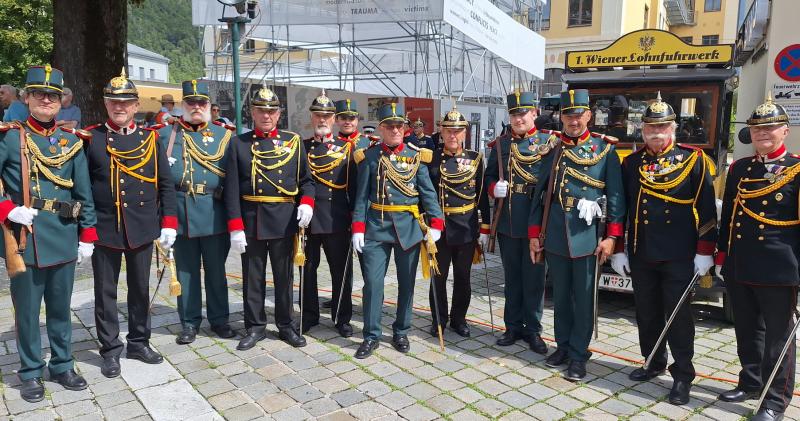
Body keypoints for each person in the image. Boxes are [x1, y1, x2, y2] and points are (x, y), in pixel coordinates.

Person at [610, 92, 717, 405]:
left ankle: (682, 375)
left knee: (678, 317)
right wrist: (619, 248)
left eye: (662, 127)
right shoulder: (631, 164)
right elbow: (621, 209)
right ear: (642, 130)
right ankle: (653, 361)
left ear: (673, 129)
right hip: (642, 252)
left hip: (680, 255)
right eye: (650, 128)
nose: (656, 133)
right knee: (647, 313)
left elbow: (707, 208)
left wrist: (704, 251)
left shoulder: (693, 160)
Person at [0, 65, 96, 402]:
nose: (45, 99)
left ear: (61, 101)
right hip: (27, 239)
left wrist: (88, 236)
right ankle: (29, 372)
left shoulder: (72, 140)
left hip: (65, 234)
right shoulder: (10, 137)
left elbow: (83, 193)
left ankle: (62, 364)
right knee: (27, 312)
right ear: (26, 98)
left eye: (52, 95)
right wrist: (6, 209)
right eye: (38, 93)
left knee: (60, 308)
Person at [85, 68, 177, 378]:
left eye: (125, 102)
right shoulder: (91, 138)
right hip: (106, 226)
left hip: (141, 225)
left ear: (136, 105)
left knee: (140, 288)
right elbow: (82, 186)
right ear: (106, 104)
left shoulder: (149, 139)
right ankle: (110, 349)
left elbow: (165, 184)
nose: (119, 107)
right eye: (113, 102)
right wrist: (84, 229)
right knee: (105, 292)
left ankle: (139, 341)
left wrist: (169, 223)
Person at [529, 89, 625, 381]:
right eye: (568, 115)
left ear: (588, 116)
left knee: (583, 298)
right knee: (560, 296)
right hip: (557, 232)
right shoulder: (552, 147)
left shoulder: (604, 149)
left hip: (587, 234)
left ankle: (579, 355)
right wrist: (535, 234)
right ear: (562, 117)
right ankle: (563, 345)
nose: (573, 120)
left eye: (578, 114)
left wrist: (611, 237)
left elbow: (617, 197)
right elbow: (540, 195)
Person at [715, 94, 796, 421]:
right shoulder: (739, 168)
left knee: (778, 337)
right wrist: (721, 255)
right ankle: (750, 381)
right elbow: (729, 216)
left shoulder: (796, 169)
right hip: (740, 263)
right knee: (747, 330)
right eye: (757, 128)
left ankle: (776, 400)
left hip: (779, 268)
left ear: (785, 131)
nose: (763, 133)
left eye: (771, 128)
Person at [224, 86, 314, 350]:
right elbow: (230, 189)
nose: (266, 115)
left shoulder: (292, 141)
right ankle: (255, 327)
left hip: (284, 219)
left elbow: (306, 181)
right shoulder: (239, 143)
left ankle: (286, 325)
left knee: (284, 276)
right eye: (261, 110)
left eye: (271, 110)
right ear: (252, 112)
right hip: (251, 219)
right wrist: (235, 227)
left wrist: (306, 204)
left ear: (279, 114)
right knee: (252, 277)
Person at [351, 103, 444, 359]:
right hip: (376, 226)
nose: (395, 130)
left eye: (399, 126)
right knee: (372, 284)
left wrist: (436, 223)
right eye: (389, 126)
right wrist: (357, 228)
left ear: (404, 128)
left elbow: (428, 193)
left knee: (407, 284)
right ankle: (371, 335)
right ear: (381, 128)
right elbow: (360, 198)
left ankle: (401, 330)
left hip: (408, 228)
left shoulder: (416, 156)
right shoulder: (369, 156)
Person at [157, 80, 236, 344]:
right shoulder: (166, 136)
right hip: (182, 214)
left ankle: (220, 320)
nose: (196, 107)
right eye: (191, 102)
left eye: (201, 102)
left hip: (214, 212)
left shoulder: (225, 136)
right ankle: (189, 322)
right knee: (186, 273)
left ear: (209, 106)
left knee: (216, 271)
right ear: (183, 105)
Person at [484, 91, 552, 354]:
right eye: (514, 114)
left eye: (523, 113)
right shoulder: (501, 145)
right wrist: (493, 189)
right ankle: (512, 326)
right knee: (512, 278)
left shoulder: (549, 143)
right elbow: (488, 177)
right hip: (509, 222)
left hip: (537, 224)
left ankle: (533, 330)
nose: (518, 118)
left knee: (534, 279)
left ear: (534, 113)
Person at [426, 105, 490, 338]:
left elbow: (482, 195)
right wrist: (427, 224)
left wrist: (485, 228)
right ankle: (439, 320)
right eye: (448, 130)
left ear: (465, 133)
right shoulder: (430, 158)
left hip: (466, 227)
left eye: (458, 130)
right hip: (440, 228)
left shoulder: (475, 159)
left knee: (463, 277)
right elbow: (426, 194)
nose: (453, 135)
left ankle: (459, 319)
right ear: (441, 132)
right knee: (438, 277)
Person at [299, 92, 357, 337]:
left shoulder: (348, 148)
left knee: (340, 269)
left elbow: (353, 187)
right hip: (307, 219)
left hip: (337, 217)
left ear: (333, 119)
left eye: (327, 116)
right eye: (318, 115)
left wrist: (355, 221)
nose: (322, 119)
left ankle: (341, 317)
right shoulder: (300, 147)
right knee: (307, 269)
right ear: (312, 117)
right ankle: (308, 315)